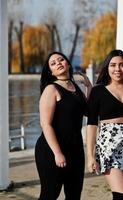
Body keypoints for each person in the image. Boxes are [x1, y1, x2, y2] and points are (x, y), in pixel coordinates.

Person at [86, 49, 123, 200]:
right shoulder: (98, 90)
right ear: (107, 67)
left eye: (122, 65)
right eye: (113, 65)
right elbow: (92, 124)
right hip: (109, 144)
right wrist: (90, 156)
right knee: (121, 195)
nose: (117, 69)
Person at [35, 52, 92, 200]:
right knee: (50, 194)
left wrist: (89, 86)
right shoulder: (51, 89)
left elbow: (89, 111)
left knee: (74, 195)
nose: (58, 63)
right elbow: (45, 124)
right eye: (53, 63)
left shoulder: (74, 86)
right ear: (50, 71)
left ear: (67, 63)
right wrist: (57, 153)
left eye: (61, 60)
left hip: (75, 148)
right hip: (51, 150)